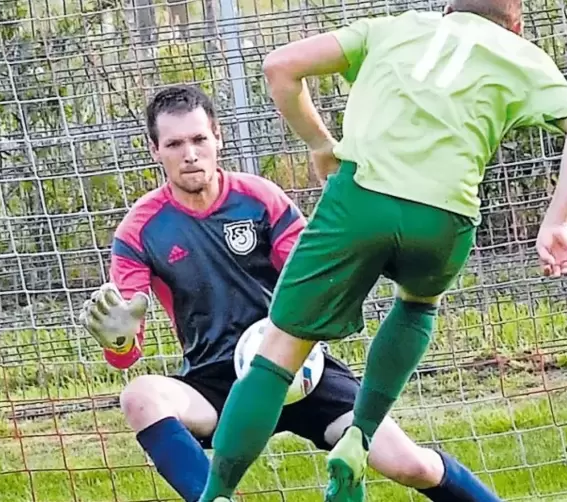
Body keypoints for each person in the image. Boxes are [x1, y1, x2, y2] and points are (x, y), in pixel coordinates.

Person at [196, 0, 567, 501]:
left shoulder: (394, 27)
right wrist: (556, 221)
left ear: (449, 6)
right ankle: (359, 436)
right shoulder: (522, 55)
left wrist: (321, 144)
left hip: (361, 200)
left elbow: (280, 67)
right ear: (515, 22)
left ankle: (215, 493)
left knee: (278, 352)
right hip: (443, 219)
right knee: (417, 305)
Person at [78, 84, 500, 502]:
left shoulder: (259, 199)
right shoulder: (139, 230)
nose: (189, 153)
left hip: (300, 366)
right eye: (174, 143)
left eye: (198, 139)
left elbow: (314, 277)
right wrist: (119, 340)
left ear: (217, 138)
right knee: (139, 397)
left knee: (411, 465)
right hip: (217, 381)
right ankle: (215, 499)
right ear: (155, 150)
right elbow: (125, 354)